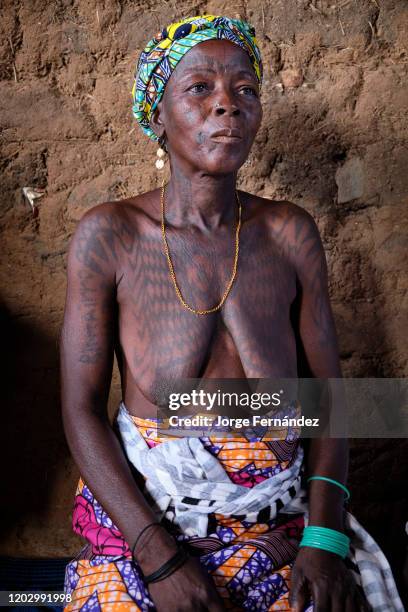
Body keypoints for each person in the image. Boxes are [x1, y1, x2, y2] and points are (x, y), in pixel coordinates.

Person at [60, 15, 403, 612]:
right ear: (157, 116)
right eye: (199, 89)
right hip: (149, 524)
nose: (228, 105)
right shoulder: (109, 235)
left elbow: (329, 399)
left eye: (245, 90)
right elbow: (80, 411)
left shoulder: (288, 232)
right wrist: (159, 558)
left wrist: (324, 538)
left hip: (282, 518)